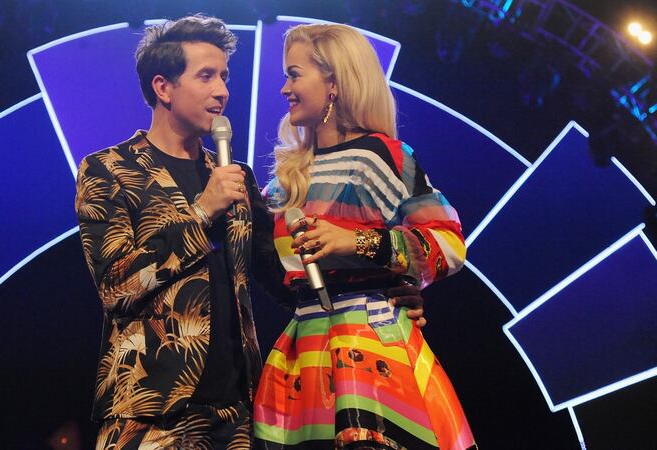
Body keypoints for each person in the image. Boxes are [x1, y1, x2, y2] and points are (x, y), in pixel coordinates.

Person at [253, 23, 477, 450]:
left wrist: (355, 242)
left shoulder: (382, 157)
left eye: (294, 74)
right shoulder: (284, 181)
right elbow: (268, 267)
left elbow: (449, 246)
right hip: (304, 351)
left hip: (370, 350)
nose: (284, 88)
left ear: (334, 81)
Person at [75, 15, 291, 449]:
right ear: (163, 87)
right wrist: (200, 212)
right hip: (149, 414)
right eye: (206, 76)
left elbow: (280, 275)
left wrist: (371, 293)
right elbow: (116, 286)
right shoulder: (109, 170)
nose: (223, 91)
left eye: (225, 76)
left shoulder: (235, 176)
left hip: (236, 415)